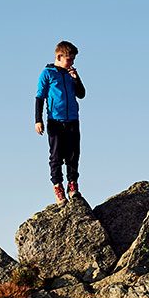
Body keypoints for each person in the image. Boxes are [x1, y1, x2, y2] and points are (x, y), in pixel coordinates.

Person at [35, 40, 88, 204]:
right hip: (55, 121)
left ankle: (73, 186)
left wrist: (76, 78)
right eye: (69, 59)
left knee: (73, 155)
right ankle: (58, 186)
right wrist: (38, 120)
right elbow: (39, 97)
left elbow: (81, 94)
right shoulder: (47, 73)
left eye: (73, 59)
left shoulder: (70, 74)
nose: (71, 62)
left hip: (73, 119)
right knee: (56, 155)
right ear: (59, 56)